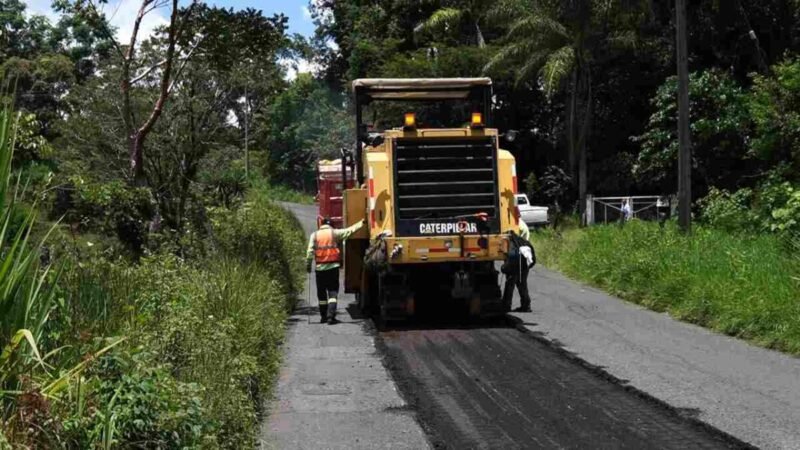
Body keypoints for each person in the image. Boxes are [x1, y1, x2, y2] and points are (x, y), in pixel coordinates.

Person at [306, 217, 366, 324]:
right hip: (333, 268)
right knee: (332, 293)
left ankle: (323, 317)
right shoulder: (334, 233)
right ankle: (331, 316)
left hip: (320, 269)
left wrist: (308, 266)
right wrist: (361, 223)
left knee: (322, 295)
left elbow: (310, 252)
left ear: (321, 225)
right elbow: (349, 231)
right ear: (331, 225)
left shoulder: (314, 235)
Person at [502, 220, 535, 313]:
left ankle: (506, 306)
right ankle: (526, 305)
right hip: (524, 264)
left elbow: (509, 262)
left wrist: (504, 268)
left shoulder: (511, 245)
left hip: (515, 264)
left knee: (510, 284)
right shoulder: (521, 240)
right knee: (522, 284)